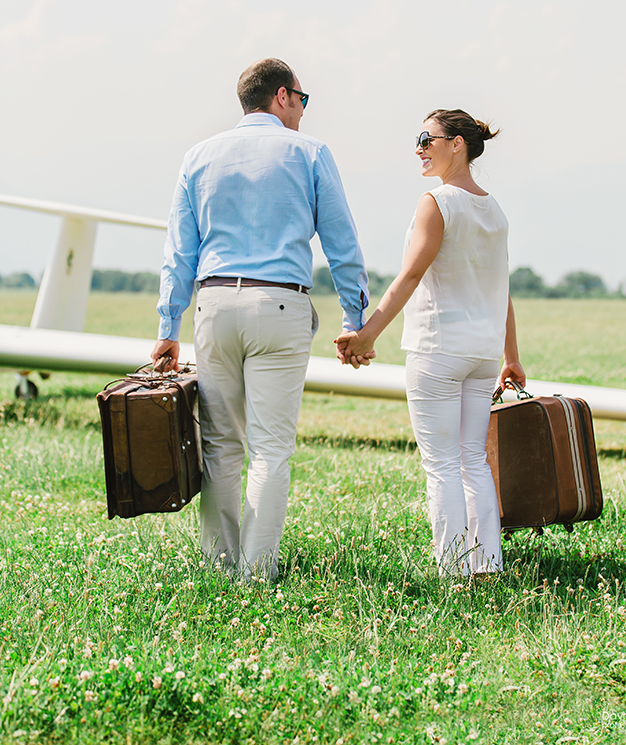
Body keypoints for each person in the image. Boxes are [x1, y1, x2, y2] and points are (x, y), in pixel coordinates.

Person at [151, 58, 369, 582]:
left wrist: (167, 329)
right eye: (302, 99)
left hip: (214, 305)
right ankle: (257, 571)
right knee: (271, 447)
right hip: (279, 305)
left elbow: (178, 253)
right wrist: (353, 317)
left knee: (220, 446)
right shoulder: (310, 152)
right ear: (281, 96)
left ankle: (221, 568)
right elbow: (342, 243)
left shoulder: (198, 156)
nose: (303, 110)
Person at [336, 109, 525, 577]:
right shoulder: (494, 209)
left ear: (456, 144)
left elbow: (411, 274)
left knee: (441, 464)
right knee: (473, 461)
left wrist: (366, 335)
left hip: (439, 347)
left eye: (427, 138)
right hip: (482, 355)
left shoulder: (436, 201)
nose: (419, 147)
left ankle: (454, 572)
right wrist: (512, 359)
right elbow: (502, 290)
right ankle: (485, 568)